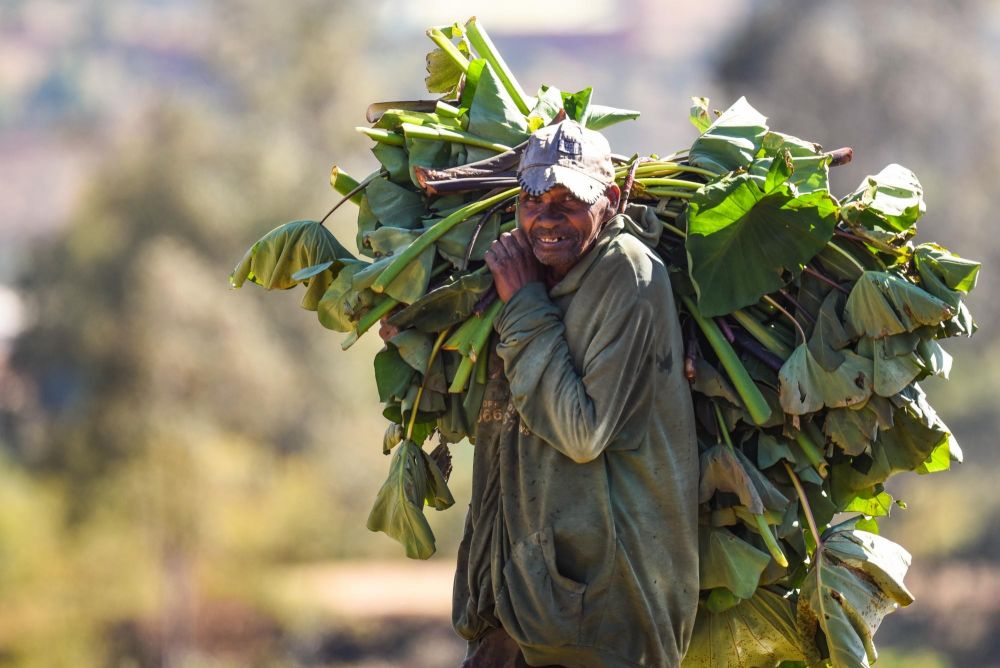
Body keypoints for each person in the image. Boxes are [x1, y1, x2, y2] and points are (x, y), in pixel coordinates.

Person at [451, 119, 700, 668]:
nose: (546, 217)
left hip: (603, 613)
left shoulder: (627, 274)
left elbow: (582, 435)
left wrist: (522, 305)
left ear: (609, 199)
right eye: (534, 199)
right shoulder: (528, 273)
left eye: (569, 200)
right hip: (526, 603)